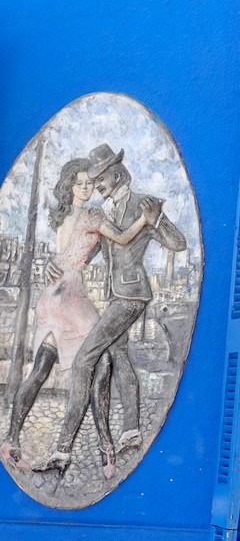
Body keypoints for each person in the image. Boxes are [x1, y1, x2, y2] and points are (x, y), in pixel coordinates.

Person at [1, 157, 160, 478]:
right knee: (99, 363)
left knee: (42, 368)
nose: (87, 187)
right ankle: (105, 450)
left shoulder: (62, 216)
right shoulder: (92, 215)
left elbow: (72, 252)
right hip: (71, 295)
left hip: (53, 294)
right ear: (70, 186)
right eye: (81, 183)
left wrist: (52, 264)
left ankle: (11, 440)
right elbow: (123, 238)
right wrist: (146, 219)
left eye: (90, 182)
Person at [35, 144, 185, 476]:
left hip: (132, 295)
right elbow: (83, 252)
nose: (96, 185)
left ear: (115, 174)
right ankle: (131, 431)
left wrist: (157, 218)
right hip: (115, 296)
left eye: (99, 178)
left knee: (84, 360)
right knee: (119, 356)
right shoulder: (102, 211)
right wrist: (54, 265)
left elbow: (178, 243)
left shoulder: (143, 204)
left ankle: (62, 449)